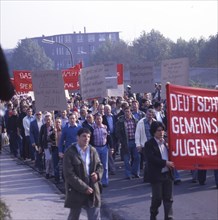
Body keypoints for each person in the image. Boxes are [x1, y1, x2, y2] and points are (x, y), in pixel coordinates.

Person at [63, 128, 103, 220]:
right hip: (76, 190)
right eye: (84, 136)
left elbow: (100, 166)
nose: (86, 139)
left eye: (88, 136)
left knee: (95, 216)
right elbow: (69, 175)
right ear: (78, 137)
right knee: (74, 216)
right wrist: (84, 188)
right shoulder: (70, 152)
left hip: (92, 189)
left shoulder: (92, 150)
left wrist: (97, 174)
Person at [144, 121, 174, 220]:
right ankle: (153, 214)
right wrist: (165, 163)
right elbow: (151, 158)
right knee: (157, 199)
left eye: (163, 130)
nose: (162, 132)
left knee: (168, 199)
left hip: (167, 174)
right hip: (157, 175)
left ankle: (169, 218)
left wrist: (171, 149)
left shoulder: (166, 142)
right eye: (159, 130)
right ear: (154, 132)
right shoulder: (149, 144)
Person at [116, 106, 140, 179]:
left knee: (137, 157)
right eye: (126, 111)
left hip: (135, 142)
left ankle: (135, 172)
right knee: (127, 159)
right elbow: (117, 133)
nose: (127, 113)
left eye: (128, 111)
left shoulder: (135, 120)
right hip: (126, 142)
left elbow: (139, 131)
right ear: (124, 112)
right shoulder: (120, 122)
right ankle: (128, 174)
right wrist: (122, 141)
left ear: (131, 112)